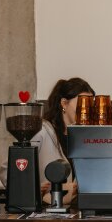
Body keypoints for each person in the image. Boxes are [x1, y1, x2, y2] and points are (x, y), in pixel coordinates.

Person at [31, 77, 95, 205]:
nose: (86, 110)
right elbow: (10, 171)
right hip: (44, 212)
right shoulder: (41, 131)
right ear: (64, 103)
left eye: (90, 105)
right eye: (82, 103)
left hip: (72, 212)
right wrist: (33, 190)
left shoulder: (82, 136)